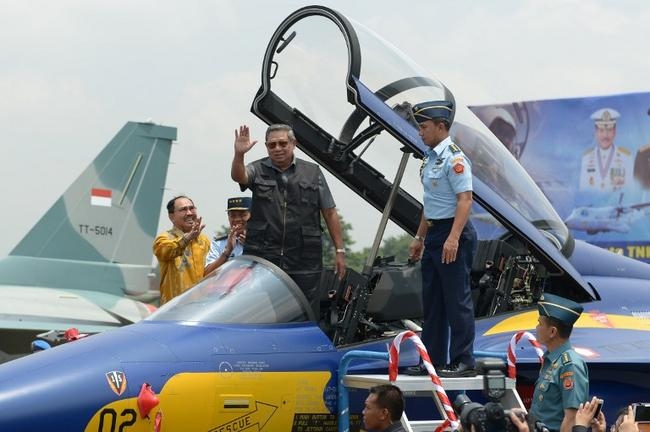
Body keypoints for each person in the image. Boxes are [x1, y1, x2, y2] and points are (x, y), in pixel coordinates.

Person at [230, 124, 346, 316]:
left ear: (294, 144)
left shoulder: (313, 172)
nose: (277, 148)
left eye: (282, 143)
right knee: (263, 313)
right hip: (264, 257)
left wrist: (340, 251)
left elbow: (330, 212)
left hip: (304, 260)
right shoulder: (257, 169)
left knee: (305, 314)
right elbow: (239, 176)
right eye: (272, 145)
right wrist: (239, 154)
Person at [406, 100, 478, 378]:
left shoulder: (454, 158)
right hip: (436, 232)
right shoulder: (430, 157)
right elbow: (431, 202)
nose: (420, 132)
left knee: (456, 300)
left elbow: (465, 200)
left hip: (453, 232)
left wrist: (453, 238)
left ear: (440, 126)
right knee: (433, 300)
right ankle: (432, 359)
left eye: (423, 127)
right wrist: (419, 237)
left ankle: (464, 360)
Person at [529, 293, 589, 432]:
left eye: (540, 323)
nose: (536, 327)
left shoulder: (570, 365)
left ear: (552, 332)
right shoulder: (552, 360)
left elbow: (572, 419)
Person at [153, 196, 210, 304]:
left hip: (202, 308)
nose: (189, 213)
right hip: (175, 310)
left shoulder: (204, 240)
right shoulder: (163, 239)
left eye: (191, 208)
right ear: (172, 216)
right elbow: (167, 251)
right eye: (183, 209)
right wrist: (187, 238)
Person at [579, 108, 633, 192]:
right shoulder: (587, 157)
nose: (605, 135)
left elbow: (630, 191)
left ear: (615, 132)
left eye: (609, 130)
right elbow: (583, 191)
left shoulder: (626, 157)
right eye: (601, 130)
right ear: (595, 132)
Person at [204, 196, 251, 275]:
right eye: (232, 216)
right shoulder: (219, 244)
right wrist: (227, 251)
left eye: (242, 215)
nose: (237, 219)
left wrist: (251, 246)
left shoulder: (263, 241)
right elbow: (207, 274)